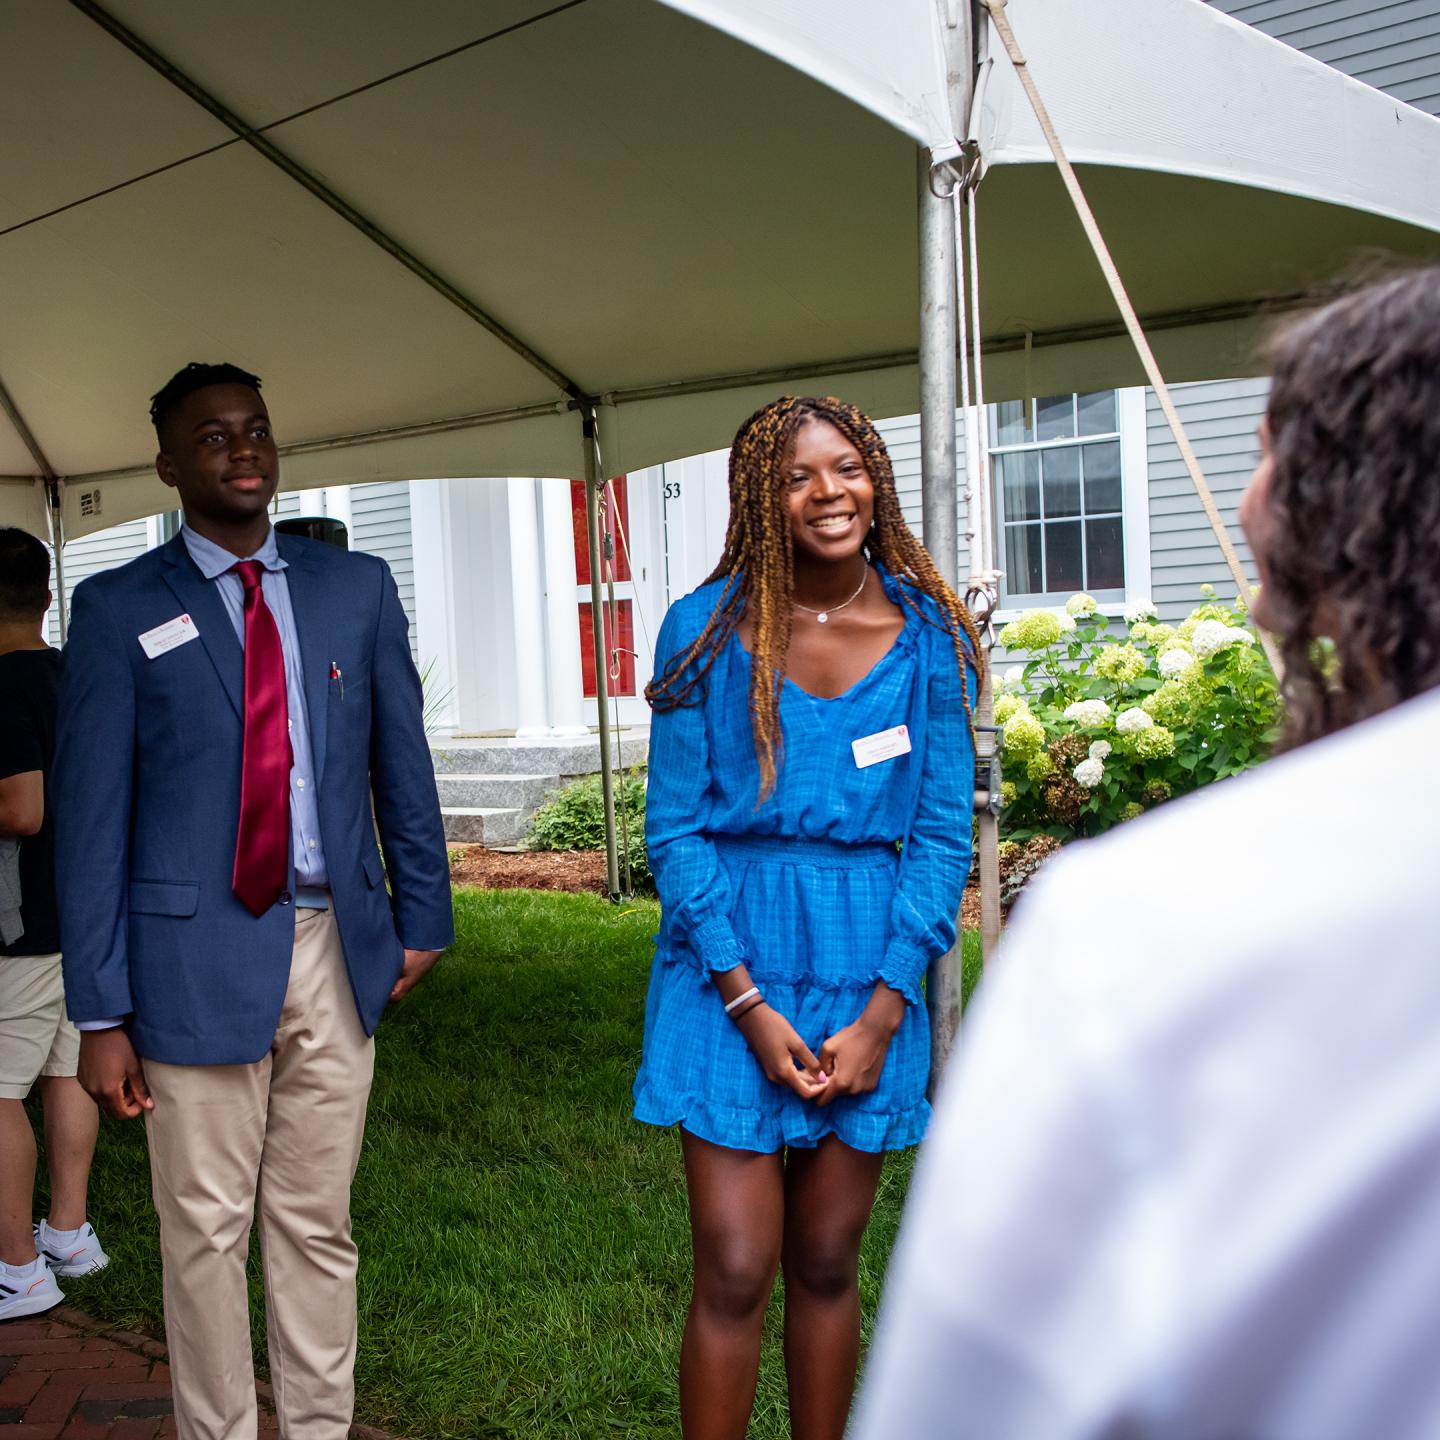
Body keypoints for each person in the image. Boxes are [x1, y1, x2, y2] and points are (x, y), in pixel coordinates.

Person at [851, 267, 1440, 1439]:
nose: (1237, 503)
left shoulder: (1142, 925)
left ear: (1322, 521)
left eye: (1265, 453)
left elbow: (974, 1398)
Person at [53, 363, 453, 1437]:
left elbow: (400, 764)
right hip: (192, 954)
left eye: (257, 430)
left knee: (317, 1225)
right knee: (204, 1232)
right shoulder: (116, 608)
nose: (242, 451)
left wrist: (426, 917)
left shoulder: (354, 588)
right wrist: (99, 1013)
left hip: (336, 944)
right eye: (214, 436)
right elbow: (90, 823)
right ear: (168, 464)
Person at [634, 395, 981, 1440]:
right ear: (760, 499)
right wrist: (744, 999)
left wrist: (884, 1011)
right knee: (738, 1265)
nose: (829, 493)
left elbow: (941, 833)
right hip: (726, 965)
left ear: (877, 477)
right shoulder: (703, 628)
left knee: (828, 1261)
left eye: (848, 467)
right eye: (797, 477)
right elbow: (675, 830)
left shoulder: (928, 637)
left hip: (870, 963)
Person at [0, 528, 107, 1321]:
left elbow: (20, 808)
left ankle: (16, 1268)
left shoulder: (1, 687)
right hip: (87, 915)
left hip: (18, 922)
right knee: (66, 1073)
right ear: (45, 594)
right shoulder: (80, 675)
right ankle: (69, 1233)